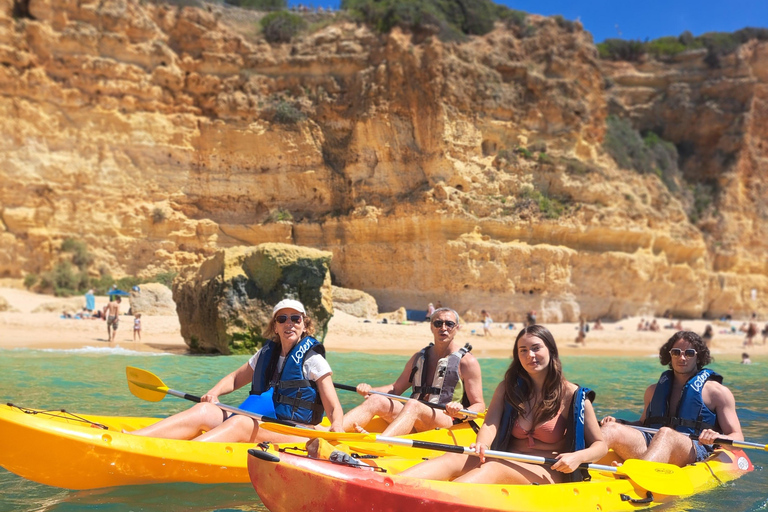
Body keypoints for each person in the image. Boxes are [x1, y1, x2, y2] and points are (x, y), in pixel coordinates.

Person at [400, 325, 606, 484]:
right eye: (523, 350)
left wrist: (578, 457)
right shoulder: (508, 388)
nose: (530, 355)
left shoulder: (573, 395)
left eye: (536, 348)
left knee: (493, 469)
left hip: (547, 470)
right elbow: (490, 424)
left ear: (551, 350)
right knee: (453, 458)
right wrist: (482, 444)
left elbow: (600, 445)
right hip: (505, 457)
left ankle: (436, 501)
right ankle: (393, 485)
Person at [127, 299, 344, 442]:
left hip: (298, 433)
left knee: (241, 421)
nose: (289, 324)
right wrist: (214, 393)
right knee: (205, 411)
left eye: (295, 318)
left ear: (304, 325)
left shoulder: (313, 361)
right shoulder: (266, 354)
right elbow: (234, 379)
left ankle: (186, 451)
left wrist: (337, 427)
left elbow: (333, 407)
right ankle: (133, 439)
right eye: (282, 319)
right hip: (269, 423)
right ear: (275, 326)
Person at [600, 331, 744, 467]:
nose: (682, 358)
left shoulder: (717, 393)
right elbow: (643, 424)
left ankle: (635, 472)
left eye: (689, 353)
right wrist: (620, 423)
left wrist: (717, 436)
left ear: (698, 357)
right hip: (653, 442)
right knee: (611, 429)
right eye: (676, 352)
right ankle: (581, 466)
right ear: (670, 356)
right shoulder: (653, 391)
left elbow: (738, 438)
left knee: (666, 433)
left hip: (694, 448)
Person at [342, 307, 485, 436]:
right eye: (438, 323)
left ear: (457, 328)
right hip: (416, 415)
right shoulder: (419, 358)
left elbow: (479, 405)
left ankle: (381, 442)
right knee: (376, 400)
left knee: (413, 404)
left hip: (444, 420)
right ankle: (335, 430)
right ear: (431, 327)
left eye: (449, 324)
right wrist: (371, 390)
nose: (443, 328)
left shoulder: (467, 362)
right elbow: (396, 388)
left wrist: (461, 410)